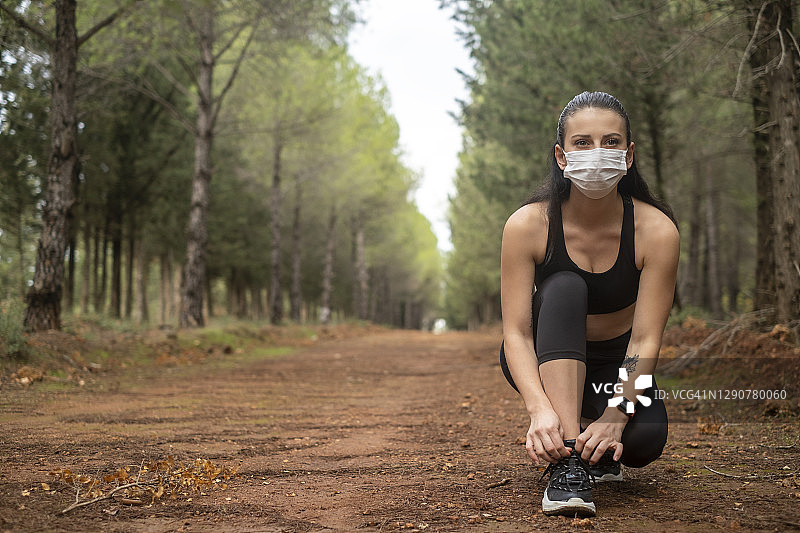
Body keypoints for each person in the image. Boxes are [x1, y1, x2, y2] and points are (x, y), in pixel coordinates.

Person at [499, 91, 679, 517]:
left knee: (643, 440)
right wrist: (538, 408)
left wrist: (616, 414)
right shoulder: (528, 225)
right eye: (582, 143)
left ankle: (595, 446)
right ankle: (567, 461)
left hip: (617, 362)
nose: (597, 153)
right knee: (565, 286)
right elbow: (516, 333)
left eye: (610, 142)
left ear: (628, 155)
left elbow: (645, 339)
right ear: (561, 156)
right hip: (546, 355)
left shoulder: (657, 231)